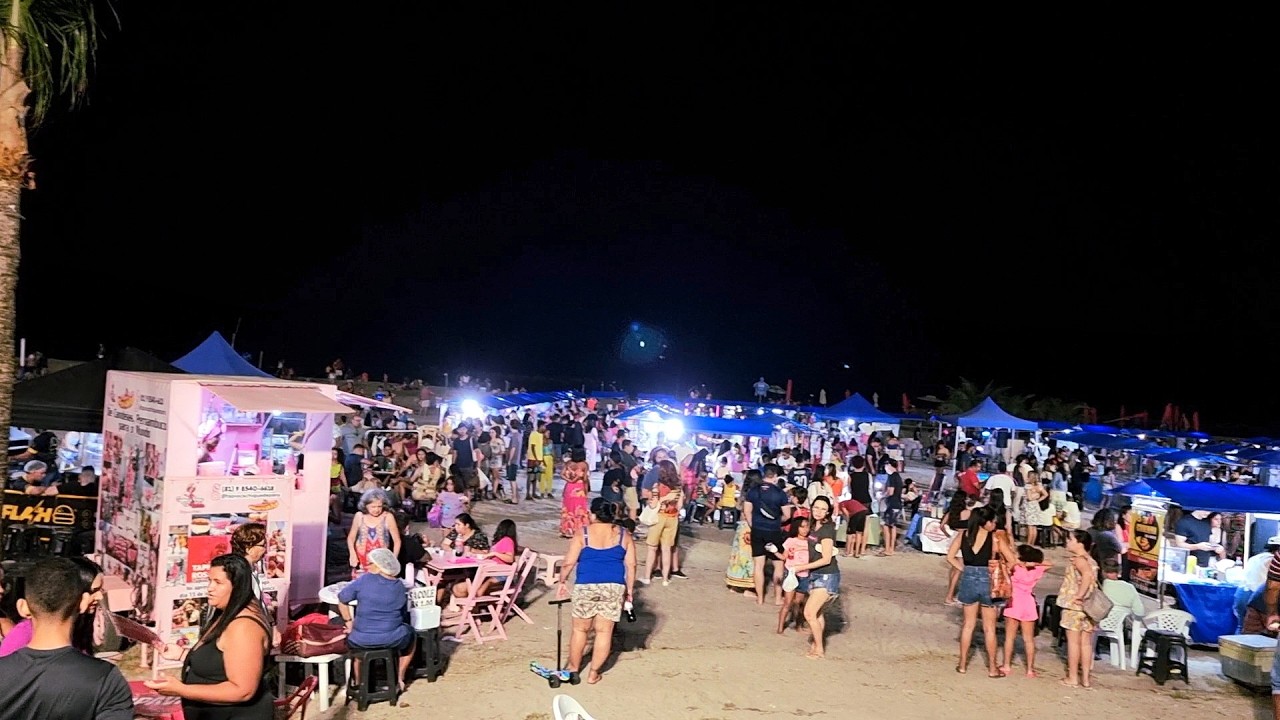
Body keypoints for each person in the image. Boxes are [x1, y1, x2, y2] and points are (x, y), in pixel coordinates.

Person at [0, 558, 132, 720]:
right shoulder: (105, 680)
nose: (98, 596)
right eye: (95, 590)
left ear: (23, 607)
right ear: (82, 602)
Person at [146, 554, 273, 719]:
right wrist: (183, 655)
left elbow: (243, 691)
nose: (210, 588)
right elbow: (222, 661)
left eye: (218, 582)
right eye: (209, 580)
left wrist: (181, 689)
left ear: (237, 586)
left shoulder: (243, 627)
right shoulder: (226, 611)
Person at [557, 498, 636, 684]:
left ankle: (573, 669)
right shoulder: (624, 535)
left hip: (586, 584)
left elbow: (569, 562)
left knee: (579, 630)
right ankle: (593, 673)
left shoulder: (582, 533)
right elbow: (631, 565)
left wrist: (562, 580)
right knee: (604, 632)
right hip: (613, 586)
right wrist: (629, 591)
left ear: (593, 514)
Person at [946, 506, 1017, 677]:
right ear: (985, 522)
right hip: (988, 580)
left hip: (969, 578)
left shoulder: (963, 535)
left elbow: (949, 556)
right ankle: (992, 668)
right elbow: (1012, 560)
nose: (994, 524)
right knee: (989, 628)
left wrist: (964, 569)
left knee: (968, 625)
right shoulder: (995, 538)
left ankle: (962, 665)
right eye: (992, 521)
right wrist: (1002, 569)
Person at [337, 547, 416, 693]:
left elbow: (342, 599)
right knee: (411, 634)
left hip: (360, 639)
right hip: (392, 638)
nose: (367, 567)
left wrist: (349, 622)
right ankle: (400, 678)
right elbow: (402, 613)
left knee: (358, 653)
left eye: (370, 564)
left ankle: (360, 683)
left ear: (380, 566)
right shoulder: (399, 586)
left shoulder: (364, 580)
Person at [0, 557, 106, 658]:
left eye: (100, 590)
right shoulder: (25, 633)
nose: (100, 596)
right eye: (94, 591)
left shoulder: (81, 625)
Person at [791, 496, 840, 659]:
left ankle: (819, 649)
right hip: (815, 574)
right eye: (816, 508)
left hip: (827, 575)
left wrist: (801, 567)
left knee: (809, 613)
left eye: (823, 509)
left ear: (828, 512)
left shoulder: (827, 530)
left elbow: (826, 558)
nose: (819, 511)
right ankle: (816, 644)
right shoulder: (813, 526)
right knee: (817, 614)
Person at [999, 544, 1052, 678]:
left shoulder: (1016, 568)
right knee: (1029, 639)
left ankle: (1006, 665)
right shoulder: (1036, 570)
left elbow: (1007, 565)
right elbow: (1049, 564)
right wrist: (1031, 564)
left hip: (1014, 602)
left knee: (1009, 638)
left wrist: (1021, 563)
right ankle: (1029, 669)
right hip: (1028, 603)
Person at [743, 463, 791, 605]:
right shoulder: (780, 493)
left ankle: (760, 598)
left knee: (759, 565)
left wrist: (754, 525)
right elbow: (787, 515)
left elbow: (747, 511)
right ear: (776, 476)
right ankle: (777, 598)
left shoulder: (753, 491)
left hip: (757, 530)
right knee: (778, 564)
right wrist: (777, 521)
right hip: (774, 531)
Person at [1057, 530, 1100, 689]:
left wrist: (1079, 595)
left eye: (1070, 539)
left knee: (1073, 643)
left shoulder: (1079, 560)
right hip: (1089, 608)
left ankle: (1073, 677)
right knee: (1086, 643)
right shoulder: (1092, 560)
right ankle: (1086, 679)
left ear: (1079, 543)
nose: (1067, 542)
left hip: (1074, 606)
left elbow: (1087, 576)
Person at [640, 460, 685, 587]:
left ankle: (647, 577)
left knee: (652, 548)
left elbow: (653, 503)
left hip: (659, 517)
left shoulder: (657, 486)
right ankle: (665, 579)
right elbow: (680, 505)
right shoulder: (678, 487)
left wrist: (653, 502)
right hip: (672, 518)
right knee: (667, 549)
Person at [347, 488, 401, 577]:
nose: (376, 510)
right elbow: (351, 538)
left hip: (381, 561)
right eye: (373, 507)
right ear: (365, 505)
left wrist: (393, 559)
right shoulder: (359, 516)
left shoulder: (388, 517)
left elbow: (397, 541)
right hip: (361, 560)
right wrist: (352, 554)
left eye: (379, 506)